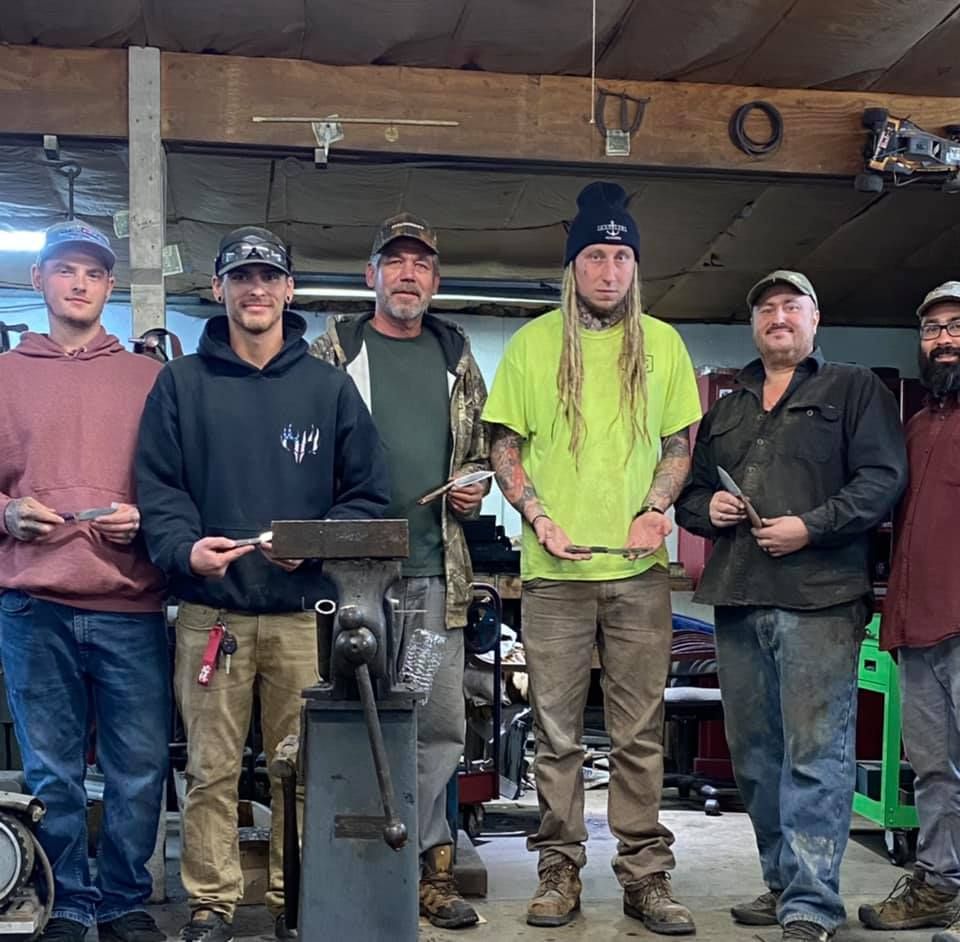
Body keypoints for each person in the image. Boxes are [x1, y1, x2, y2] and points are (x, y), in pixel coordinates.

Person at [135, 226, 390, 942]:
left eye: (268, 277)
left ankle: (295, 900)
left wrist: (309, 546)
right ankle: (212, 904)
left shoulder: (328, 389)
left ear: (288, 290)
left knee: (304, 772)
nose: (255, 290)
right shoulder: (180, 385)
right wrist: (186, 551)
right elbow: (159, 487)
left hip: (300, 617)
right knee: (211, 772)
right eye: (240, 277)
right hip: (210, 614)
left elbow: (369, 497)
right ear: (217, 289)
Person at [483, 182, 701, 934]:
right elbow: (504, 445)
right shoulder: (535, 343)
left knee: (640, 733)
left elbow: (679, 444)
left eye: (622, 257)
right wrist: (537, 516)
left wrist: (656, 508)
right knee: (557, 734)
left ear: (635, 267)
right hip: (555, 580)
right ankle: (559, 869)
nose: (610, 270)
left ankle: (645, 875)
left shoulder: (664, 345)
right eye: (596, 256)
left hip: (640, 576)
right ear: (572, 264)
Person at [675, 270, 907, 942]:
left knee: (816, 752)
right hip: (739, 595)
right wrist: (707, 511)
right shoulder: (729, 405)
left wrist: (812, 525)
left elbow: (882, 480)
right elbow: (689, 495)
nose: (778, 317)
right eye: (766, 308)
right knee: (754, 755)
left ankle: (812, 900)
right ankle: (781, 882)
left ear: (814, 320)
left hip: (820, 598)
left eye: (791, 306)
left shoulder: (854, 390)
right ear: (754, 325)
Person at [310, 212, 488, 930]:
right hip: (352, 577)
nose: (408, 274)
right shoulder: (332, 351)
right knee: (352, 717)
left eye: (421, 264)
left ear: (434, 281)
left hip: (432, 571)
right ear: (371, 277)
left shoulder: (457, 355)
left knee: (436, 722)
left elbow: (476, 450)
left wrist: (474, 487)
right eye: (395, 262)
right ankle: (350, 862)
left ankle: (424, 868)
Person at [0, 221, 169, 942]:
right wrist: (6, 513)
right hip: (33, 605)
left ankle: (126, 899)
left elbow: (180, 486)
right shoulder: (5, 376)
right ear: (37, 281)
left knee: (139, 769)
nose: (79, 284)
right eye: (64, 270)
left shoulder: (148, 378)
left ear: (110, 287)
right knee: (52, 772)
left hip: (130, 603)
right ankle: (67, 899)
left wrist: (147, 517)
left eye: (94, 274)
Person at [858, 281, 960, 939]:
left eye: (957, 325)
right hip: (917, 624)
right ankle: (940, 883)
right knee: (932, 770)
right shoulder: (916, 427)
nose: (945, 339)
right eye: (933, 329)